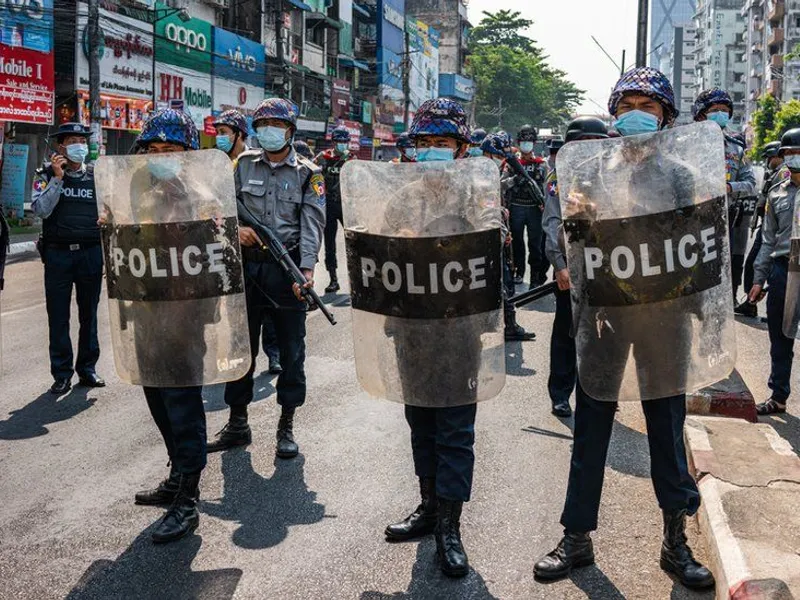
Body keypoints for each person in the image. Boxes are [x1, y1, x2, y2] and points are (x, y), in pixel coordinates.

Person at [534, 67, 715, 591]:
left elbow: (701, 252)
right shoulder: (587, 173)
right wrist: (574, 232)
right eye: (627, 103)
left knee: (666, 429)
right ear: (613, 114)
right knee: (591, 428)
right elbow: (575, 242)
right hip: (606, 318)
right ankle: (576, 537)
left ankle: (674, 539)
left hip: (665, 322)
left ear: (666, 118)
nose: (637, 112)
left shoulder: (683, 176)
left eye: (649, 105)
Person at [383, 98, 497, 578]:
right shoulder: (401, 197)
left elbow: (493, 251)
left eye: (442, 143)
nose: (432, 151)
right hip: (411, 328)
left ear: (461, 148)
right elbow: (376, 253)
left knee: (454, 429)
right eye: (424, 143)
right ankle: (428, 506)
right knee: (421, 421)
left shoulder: (479, 195)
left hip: (460, 330)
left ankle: (450, 527)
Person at [209, 98, 326, 456]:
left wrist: (305, 271)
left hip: (286, 269)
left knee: (292, 352)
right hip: (245, 268)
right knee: (238, 350)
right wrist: (236, 230)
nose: (268, 132)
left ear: (290, 131)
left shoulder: (309, 173)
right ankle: (238, 422)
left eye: (276, 125)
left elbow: (312, 225)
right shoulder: (241, 166)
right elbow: (217, 208)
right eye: (262, 126)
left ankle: (286, 425)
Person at [124, 109, 209, 543]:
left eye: (169, 150)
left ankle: (188, 500)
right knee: (156, 396)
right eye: (152, 150)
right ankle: (176, 474)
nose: (159, 157)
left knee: (182, 405)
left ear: (188, 153)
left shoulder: (199, 194)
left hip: (184, 317)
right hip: (147, 312)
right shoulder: (139, 191)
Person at [542, 116, 609, 418]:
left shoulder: (614, 175)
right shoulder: (559, 177)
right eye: (584, 143)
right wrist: (559, 264)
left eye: (597, 143)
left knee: (605, 335)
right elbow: (552, 221)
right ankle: (560, 393)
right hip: (572, 266)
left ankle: (598, 390)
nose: (591, 149)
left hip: (608, 267)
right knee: (567, 333)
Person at [32, 123, 105, 395]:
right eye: (72, 140)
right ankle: (61, 373)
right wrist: (58, 178)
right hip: (58, 255)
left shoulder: (97, 177)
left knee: (90, 315)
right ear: (60, 147)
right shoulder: (45, 175)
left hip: (90, 254)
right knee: (59, 317)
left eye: (82, 140)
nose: (79, 145)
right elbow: (41, 209)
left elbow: (110, 210)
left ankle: (87, 369)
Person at [213, 110, 282, 376]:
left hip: (258, 251)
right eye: (217, 133)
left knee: (267, 311)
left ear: (239, 135)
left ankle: (273, 354)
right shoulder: (212, 164)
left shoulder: (251, 163)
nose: (219, 138)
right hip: (226, 249)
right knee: (233, 310)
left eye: (224, 133)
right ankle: (236, 359)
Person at [747, 128, 800, 416]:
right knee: (780, 336)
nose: (794, 158)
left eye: (798, 153)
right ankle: (778, 396)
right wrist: (758, 278)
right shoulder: (777, 191)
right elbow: (767, 240)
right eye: (789, 154)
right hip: (783, 268)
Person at [692, 88, 756, 303]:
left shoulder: (737, 149)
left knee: (725, 262)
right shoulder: (686, 143)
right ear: (701, 114)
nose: (720, 113)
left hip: (725, 217)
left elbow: (750, 184)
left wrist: (729, 187)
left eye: (724, 110)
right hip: (691, 218)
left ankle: (725, 299)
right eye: (714, 109)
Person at [482, 132, 536, 342]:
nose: (499, 160)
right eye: (496, 155)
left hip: (498, 231)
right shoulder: (476, 173)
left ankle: (510, 324)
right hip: (486, 236)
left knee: (507, 281)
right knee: (500, 282)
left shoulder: (492, 172)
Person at [737, 141, 787, 317]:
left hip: (775, 227)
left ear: (776, 156)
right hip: (769, 223)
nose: (767, 161)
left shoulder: (784, 172)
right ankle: (751, 302)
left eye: (769, 157)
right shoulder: (776, 172)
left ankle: (754, 303)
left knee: (760, 263)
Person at [504, 124, 548, 288]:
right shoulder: (511, 163)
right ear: (518, 142)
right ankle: (519, 272)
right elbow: (501, 184)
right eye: (523, 141)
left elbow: (548, 187)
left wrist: (545, 204)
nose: (526, 144)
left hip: (535, 209)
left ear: (534, 143)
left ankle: (536, 276)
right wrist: (514, 180)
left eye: (529, 141)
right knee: (517, 243)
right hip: (516, 207)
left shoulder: (541, 164)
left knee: (535, 244)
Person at [315, 126, 355, 294]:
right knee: (330, 245)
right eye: (339, 141)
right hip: (329, 206)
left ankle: (358, 277)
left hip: (346, 206)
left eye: (345, 141)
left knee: (355, 242)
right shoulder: (323, 158)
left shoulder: (352, 159)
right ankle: (333, 279)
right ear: (333, 142)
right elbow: (313, 178)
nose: (342, 144)